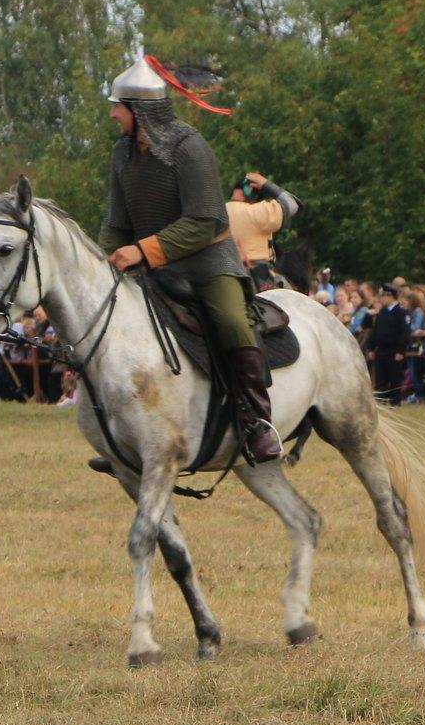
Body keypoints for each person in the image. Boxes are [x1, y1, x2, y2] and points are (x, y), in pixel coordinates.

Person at [99, 54, 282, 462]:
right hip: (152, 267)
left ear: (139, 109)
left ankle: (256, 422)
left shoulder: (189, 148)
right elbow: (116, 222)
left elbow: (205, 220)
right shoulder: (121, 155)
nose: (112, 114)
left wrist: (141, 250)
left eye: (117, 106)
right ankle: (126, 436)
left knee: (233, 322)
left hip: (207, 262)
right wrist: (104, 258)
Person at [227, 171, 301, 292]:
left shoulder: (217, 212)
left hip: (220, 276)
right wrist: (265, 184)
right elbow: (293, 205)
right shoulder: (256, 211)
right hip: (257, 278)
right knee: (295, 303)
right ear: (251, 193)